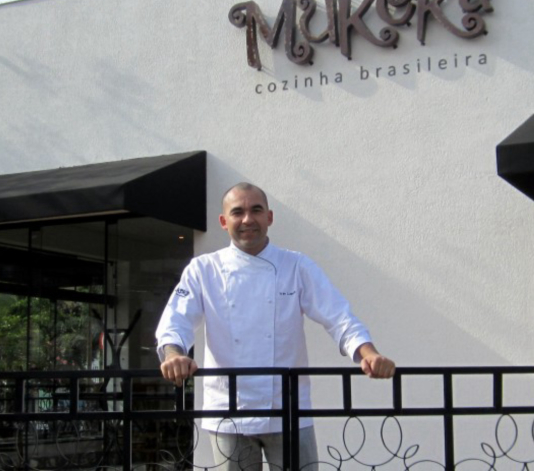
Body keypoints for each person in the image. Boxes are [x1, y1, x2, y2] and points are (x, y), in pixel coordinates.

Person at [155, 182, 396, 471]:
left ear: (269, 217)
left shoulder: (296, 266)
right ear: (223, 221)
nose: (247, 219)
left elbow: (339, 316)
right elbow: (176, 320)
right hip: (228, 410)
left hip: (289, 407)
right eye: (237, 212)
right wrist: (173, 355)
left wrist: (368, 354)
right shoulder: (203, 269)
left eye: (256, 210)